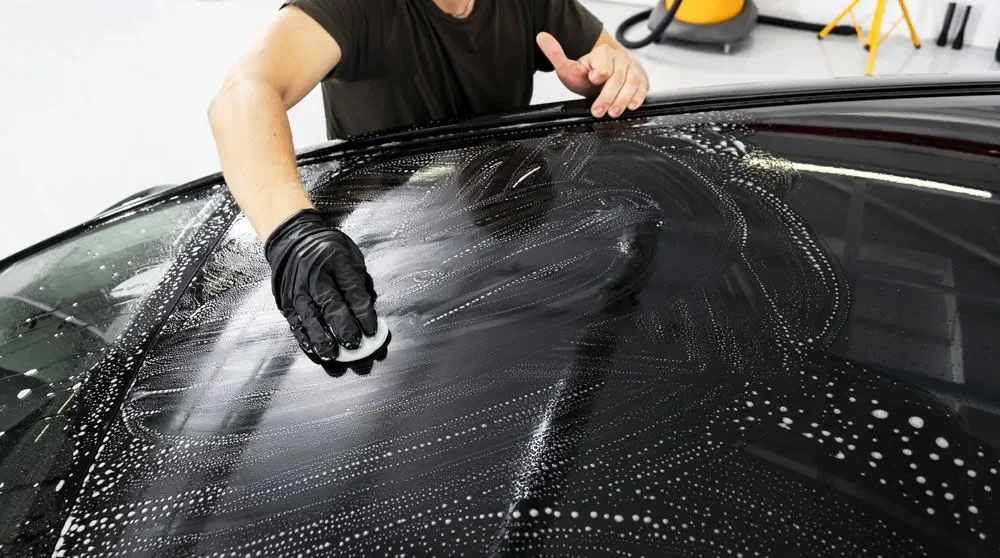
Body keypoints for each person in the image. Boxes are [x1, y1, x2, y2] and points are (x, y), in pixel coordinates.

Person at [207, 0, 651, 363]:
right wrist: (291, 233)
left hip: (499, 227)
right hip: (383, 249)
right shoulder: (353, 7)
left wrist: (609, 80)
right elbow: (242, 91)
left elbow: (611, 62)